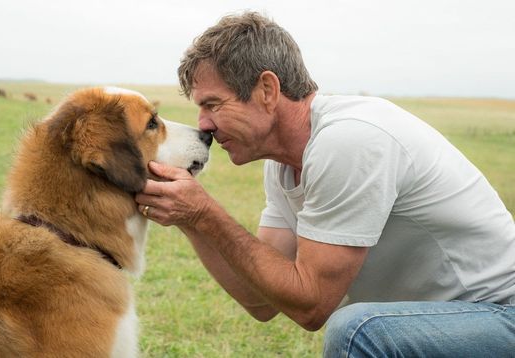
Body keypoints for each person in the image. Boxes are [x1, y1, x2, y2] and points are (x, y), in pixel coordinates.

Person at [135, 11, 515, 357]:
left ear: (267, 90)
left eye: (213, 104)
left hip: (501, 314)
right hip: (442, 323)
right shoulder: (284, 164)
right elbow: (262, 300)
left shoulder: (349, 140)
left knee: (359, 331)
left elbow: (311, 305)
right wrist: (190, 219)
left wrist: (205, 213)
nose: (203, 124)